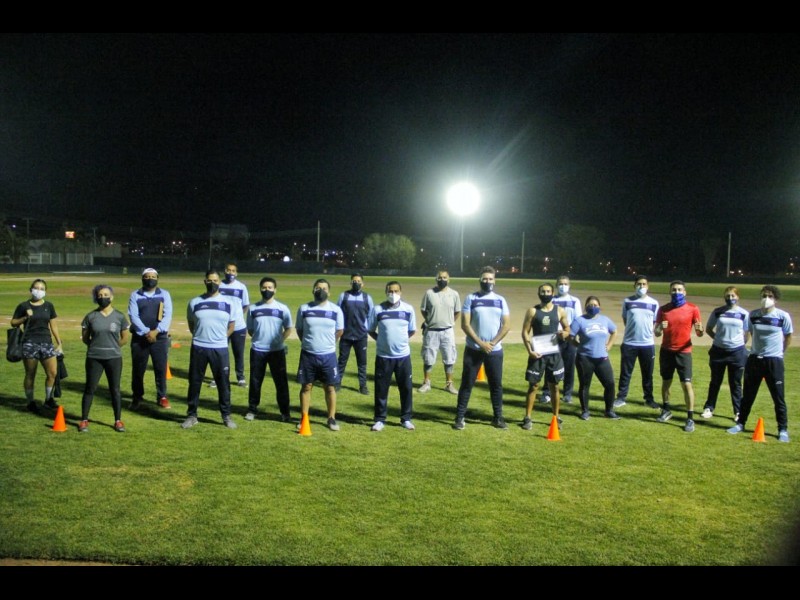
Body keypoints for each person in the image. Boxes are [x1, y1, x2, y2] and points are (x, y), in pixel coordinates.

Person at [728, 285, 793, 442]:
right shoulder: (753, 315)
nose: (766, 299)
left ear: (776, 299)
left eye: (770, 296)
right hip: (755, 360)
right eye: (764, 296)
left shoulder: (782, 316)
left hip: (774, 361)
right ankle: (740, 423)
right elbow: (750, 333)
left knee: (778, 397)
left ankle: (782, 429)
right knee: (748, 395)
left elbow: (788, 336)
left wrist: (780, 353)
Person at [182, 270, 242, 430]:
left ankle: (226, 416)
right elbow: (192, 325)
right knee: (195, 382)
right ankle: (192, 415)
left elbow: (231, 326)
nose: (212, 283)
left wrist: (221, 338)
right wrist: (201, 337)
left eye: (215, 280)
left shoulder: (228, 303)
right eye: (209, 280)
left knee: (223, 384)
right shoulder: (194, 302)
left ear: (219, 282)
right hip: (199, 347)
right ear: (205, 282)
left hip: (220, 349)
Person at [453, 267, 511, 430]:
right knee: (467, 384)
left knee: (496, 385)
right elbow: (465, 324)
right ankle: (459, 417)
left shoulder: (500, 300)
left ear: (495, 281)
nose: (487, 281)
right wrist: (481, 343)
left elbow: (506, 325)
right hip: (473, 350)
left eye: (490, 279)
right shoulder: (471, 298)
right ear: (480, 280)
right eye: (485, 279)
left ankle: (498, 418)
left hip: (494, 350)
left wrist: (492, 343)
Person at [78, 285, 130, 433]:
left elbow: (124, 338)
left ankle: (118, 421)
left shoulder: (119, 317)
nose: (103, 298)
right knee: (90, 388)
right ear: (96, 298)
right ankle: (84, 420)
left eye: (106, 295)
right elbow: (85, 338)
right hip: (94, 358)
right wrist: (96, 347)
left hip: (114, 358)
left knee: (115, 390)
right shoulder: (90, 317)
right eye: (100, 295)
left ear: (111, 297)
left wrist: (113, 347)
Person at [654, 280, 704, 433]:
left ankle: (690, 418)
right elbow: (657, 333)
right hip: (666, 351)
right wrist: (659, 328)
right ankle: (666, 409)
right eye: (674, 290)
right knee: (666, 382)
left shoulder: (693, 309)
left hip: (684, 352)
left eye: (679, 290)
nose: (676, 292)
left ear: (685, 292)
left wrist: (700, 330)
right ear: (670, 292)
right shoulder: (663, 309)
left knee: (686, 384)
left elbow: (699, 333)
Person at [295, 278, 344, 431]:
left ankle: (331, 418)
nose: (321, 291)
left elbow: (339, 331)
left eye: (324, 288)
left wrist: (328, 343)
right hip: (308, 355)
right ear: (313, 290)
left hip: (328, 356)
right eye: (318, 288)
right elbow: (300, 330)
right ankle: (304, 418)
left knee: (330, 387)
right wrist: (309, 343)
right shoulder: (304, 308)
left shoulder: (336, 310)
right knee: (306, 386)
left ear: (329, 292)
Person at [520, 283, 570, 430]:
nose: (545, 294)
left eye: (548, 291)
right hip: (537, 354)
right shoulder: (532, 311)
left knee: (554, 386)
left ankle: (555, 417)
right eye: (543, 291)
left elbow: (567, 329)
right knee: (533, 386)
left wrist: (565, 333)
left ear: (553, 293)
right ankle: (528, 417)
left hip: (554, 354)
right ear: (538, 293)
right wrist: (530, 351)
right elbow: (525, 332)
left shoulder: (559, 311)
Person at [367, 281, 416, 431]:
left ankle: (406, 419)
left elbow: (412, 330)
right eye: (390, 291)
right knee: (381, 389)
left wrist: (401, 341)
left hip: (403, 356)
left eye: (396, 291)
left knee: (406, 388)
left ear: (400, 292)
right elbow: (370, 329)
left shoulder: (408, 309)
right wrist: (381, 341)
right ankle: (380, 419)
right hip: (383, 356)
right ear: (386, 292)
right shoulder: (377, 309)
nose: (393, 294)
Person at [11, 278, 63, 414]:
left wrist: (59, 342)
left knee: (52, 373)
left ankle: (48, 399)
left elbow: (53, 325)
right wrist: (25, 317)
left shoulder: (49, 306)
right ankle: (30, 402)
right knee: (30, 374)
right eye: (36, 288)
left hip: (46, 342)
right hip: (29, 343)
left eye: (42, 289)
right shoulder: (23, 306)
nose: (38, 291)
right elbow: (13, 322)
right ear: (31, 290)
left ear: (45, 291)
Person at [245, 276, 294, 423]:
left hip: (276, 351)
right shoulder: (253, 308)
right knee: (255, 381)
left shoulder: (282, 308)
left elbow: (288, 328)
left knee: (281, 383)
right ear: (260, 289)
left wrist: (279, 340)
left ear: (275, 290)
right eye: (264, 287)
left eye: (270, 288)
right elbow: (250, 329)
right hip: (258, 350)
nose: (267, 290)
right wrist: (260, 339)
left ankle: (285, 412)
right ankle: (252, 409)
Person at [702, 286, 750, 420]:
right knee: (715, 381)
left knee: (735, 383)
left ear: (738, 297)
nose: (730, 298)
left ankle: (738, 411)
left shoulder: (744, 314)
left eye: (733, 296)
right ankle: (709, 408)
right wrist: (718, 339)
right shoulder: (718, 312)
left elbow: (747, 332)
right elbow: (709, 329)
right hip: (718, 352)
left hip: (737, 353)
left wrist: (740, 344)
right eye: (728, 296)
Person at [128, 267, 173, 410]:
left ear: (157, 279)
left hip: (160, 338)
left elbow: (167, 315)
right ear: (142, 279)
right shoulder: (135, 295)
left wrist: (156, 331)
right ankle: (137, 396)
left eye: (153, 277)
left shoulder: (164, 294)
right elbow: (133, 316)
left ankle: (162, 396)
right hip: (140, 338)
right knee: (138, 369)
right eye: (147, 277)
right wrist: (147, 332)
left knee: (160, 368)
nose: (150, 279)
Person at [613, 276, 660, 410]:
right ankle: (621, 397)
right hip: (629, 343)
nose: (641, 286)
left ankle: (649, 399)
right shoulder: (627, 301)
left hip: (647, 344)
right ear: (634, 286)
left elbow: (654, 322)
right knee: (625, 372)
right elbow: (625, 319)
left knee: (647, 374)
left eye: (644, 284)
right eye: (639, 284)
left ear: (648, 286)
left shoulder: (654, 303)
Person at [570, 296, 619, 420]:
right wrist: (577, 345)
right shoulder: (579, 321)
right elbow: (570, 336)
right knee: (585, 385)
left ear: (599, 307)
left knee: (610, 384)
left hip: (602, 358)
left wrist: (609, 345)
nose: (593, 307)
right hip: (585, 358)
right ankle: (585, 411)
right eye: (590, 305)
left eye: (595, 305)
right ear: (586, 306)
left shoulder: (605, 320)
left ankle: (609, 410)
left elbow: (614, 331)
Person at [419, 270, 461, 394]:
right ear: (436, 279)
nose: (442, 279)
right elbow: (423, 310)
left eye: (444, 277)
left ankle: (449, 384)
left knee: (449, 358)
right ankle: (426, 383)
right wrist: (430, 320)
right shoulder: (429, 293)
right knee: (428, 358)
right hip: (431, 331)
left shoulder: (454, 294)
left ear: (449, 279)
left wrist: (449, 321)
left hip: (447, 331)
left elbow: (457, 311)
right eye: (440, 277)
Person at [336, 273, 374, 395]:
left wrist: (366, 328)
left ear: (362, 284)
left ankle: (363, 386)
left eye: (358, 281)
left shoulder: (367, 298)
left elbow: (371, 315)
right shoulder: (344, 296)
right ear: (350, 283)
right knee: (342, 361)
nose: (356, 283)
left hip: (361, 336)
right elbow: (337, 312)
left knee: (362, 363)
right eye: (354, 281)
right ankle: (337, 383)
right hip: (346, 335)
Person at [546, 274, 580, 404]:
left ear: (569, 286)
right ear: (556, 286)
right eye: (560, 284)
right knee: (550, 365)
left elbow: (577, 320)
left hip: (569, 338)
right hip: (553, 337)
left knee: (569, 366)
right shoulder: (551, 300)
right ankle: (547, 392)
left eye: (565, 284)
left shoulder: (575, 301)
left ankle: (567, 393)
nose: (563, 286)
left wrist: (568, 333)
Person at [217, 262, 250, 387]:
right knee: (220, 353)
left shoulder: (241, 287)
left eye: (233, 270)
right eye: (228, 270)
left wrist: (237, 316)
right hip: (222, 327)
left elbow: (245, 305)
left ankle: (240, 378)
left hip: (238, 327)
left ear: (236, 273)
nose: (230, 272)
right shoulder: (219, 285)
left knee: (238, 353)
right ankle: (219, 377)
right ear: (224, 271)